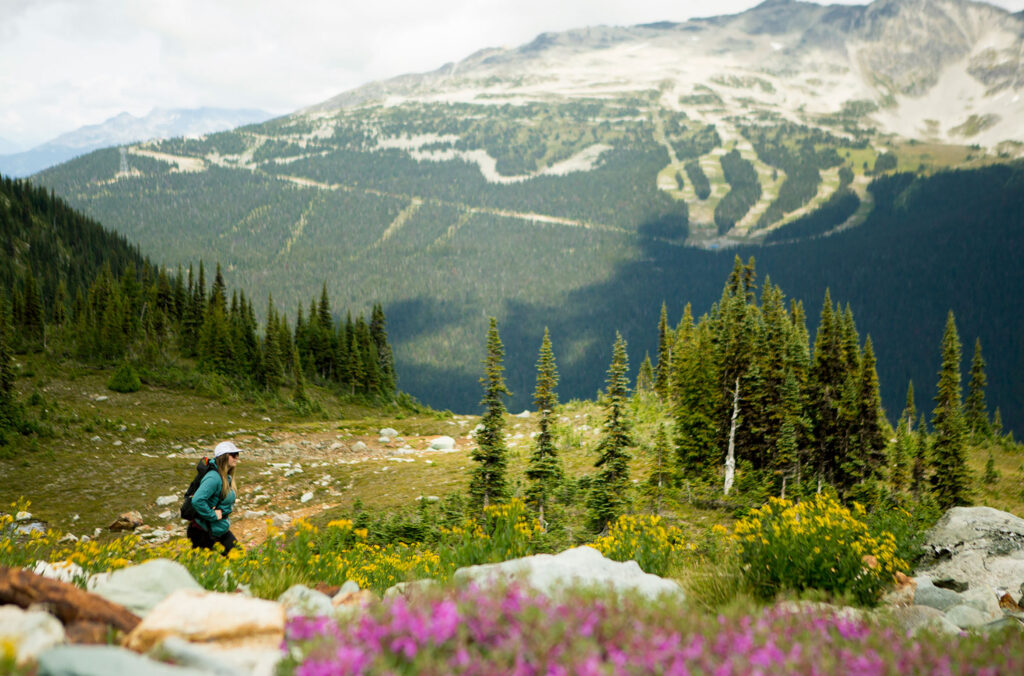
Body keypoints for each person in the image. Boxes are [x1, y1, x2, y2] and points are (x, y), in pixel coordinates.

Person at [186, 440, 242, 555]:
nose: (236, 457)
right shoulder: (214, 478)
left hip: (219, 529)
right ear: (224, 457)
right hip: (203, 531)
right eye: (233, 455)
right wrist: (212, 515)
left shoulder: (226, 477)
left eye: (237, 454)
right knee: (203, 569)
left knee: (239, 559)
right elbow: (197, 500)